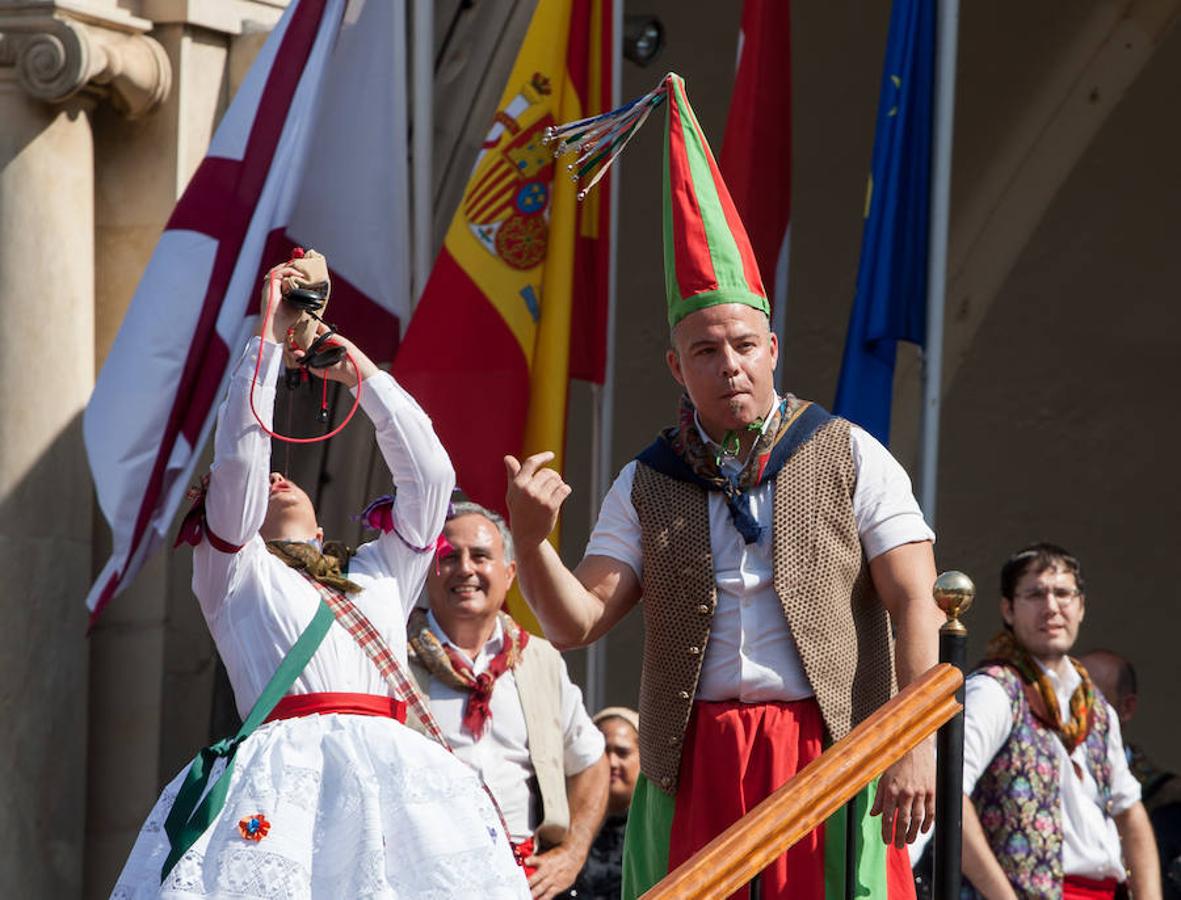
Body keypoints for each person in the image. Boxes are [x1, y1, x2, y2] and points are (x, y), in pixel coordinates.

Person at [506, 73, 942, 900]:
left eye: (742, 343)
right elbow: (577, 621)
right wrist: (529, 542)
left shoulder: (847, 452)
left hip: (830, 746)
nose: (729, 363)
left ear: (772, 347)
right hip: (691, 756)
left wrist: (911, 736)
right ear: (677, 366)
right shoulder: (648, 479)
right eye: (705, 350)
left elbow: (914, 597)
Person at [112, 257, 529, 898]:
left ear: (318, 516)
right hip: (284, 785)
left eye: (290, 479)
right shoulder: (234, 574)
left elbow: (431, 478)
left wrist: (359, 372)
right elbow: (242, 462)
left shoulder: (378, 574)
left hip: (397, 779)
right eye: (265, 483)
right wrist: (267, 343)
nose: (278, 479)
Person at [412, 500, 608, 900]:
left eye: (481, 556)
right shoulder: (393, 657)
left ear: (510, 574)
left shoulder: (539, 660)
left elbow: (591, 762)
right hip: (420, 879)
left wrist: (571, 854)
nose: (465, 568)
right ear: (427, 573)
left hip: (521, 882)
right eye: (448, 557)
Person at [961, 544, 1159, 900]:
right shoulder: (994, 691)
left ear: (1080, 606)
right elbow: (948, 796)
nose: (1051, 607)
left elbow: (1130, 812)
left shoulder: (1095, 706)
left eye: (1063, 593)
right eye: (1035, 594)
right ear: (1008, 609)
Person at [1081, 649, 1181, 899]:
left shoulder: (1167, 802)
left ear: (1126, 708)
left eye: (1090, 698)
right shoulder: (1042, 776)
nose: (1074, 710)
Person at [569, 707, 641, 900]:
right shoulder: (562, 829)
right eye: (601, 752)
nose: (611, 762)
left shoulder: (651, 832)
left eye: (622, 752)